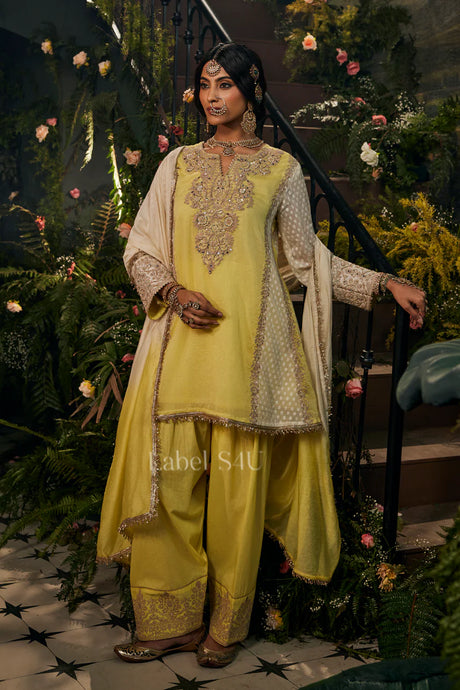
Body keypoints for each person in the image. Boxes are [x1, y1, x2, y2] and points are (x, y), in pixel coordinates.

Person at [96, 43, 426, 668]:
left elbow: (307, 261)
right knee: (169, 488)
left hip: (249, 355)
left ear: (251, 91)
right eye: (204, 84)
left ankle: (225, 626)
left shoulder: (281, 170)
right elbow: (142, 246)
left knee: (237, 498)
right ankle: (168, 623)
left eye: (224, 84)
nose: (211, 96)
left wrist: (384, 283)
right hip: (177, 346)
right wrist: (172, 292)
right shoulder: (177, 165)